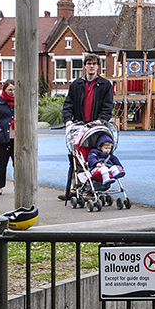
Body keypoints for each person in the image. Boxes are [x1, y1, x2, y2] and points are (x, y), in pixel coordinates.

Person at [59, 54, 115, 200]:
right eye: (89, 63)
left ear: (98, 66)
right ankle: (74, 189)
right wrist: (68, 120)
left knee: (95, 159)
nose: (91, 66)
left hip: (96, 129)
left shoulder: (105, 85)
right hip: (79, 127)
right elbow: (68, 105)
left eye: (94, 63)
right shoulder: (76, 85)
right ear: (85, 66)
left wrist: (101, 120)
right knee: (76, 158)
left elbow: (108, 106)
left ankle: (93, 189)